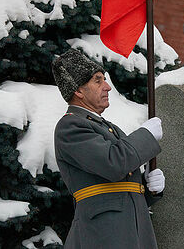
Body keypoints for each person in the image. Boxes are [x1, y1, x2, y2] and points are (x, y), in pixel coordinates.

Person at [52, 49, 165, 249]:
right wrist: (146, 135)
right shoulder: (70, 127)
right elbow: (113, 163)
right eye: (98, 80)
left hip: (133, 233)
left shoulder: (108, 128)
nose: (107, 87)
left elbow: (119, 195)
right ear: (78, 90)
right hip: (103, 235)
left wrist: (149, 189)